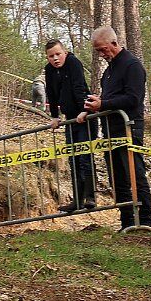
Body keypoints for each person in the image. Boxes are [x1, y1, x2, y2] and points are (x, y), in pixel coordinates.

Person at [83, 26, 151, 230]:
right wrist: (97, 103)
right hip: (110, 131)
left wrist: (103, 104)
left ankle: (146, 220)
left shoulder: (132, 66)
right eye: (97, 51)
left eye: (103, 49)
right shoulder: (108, 71)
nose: (101, 54)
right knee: (117, 178)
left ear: (114, 43)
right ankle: (127, 221)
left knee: (135, 174)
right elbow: (111, 98)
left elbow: (133, 98)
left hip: (129, 128)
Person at [44, 39, 97, 212]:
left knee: (85, 157)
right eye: (51, 56)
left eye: (58, 54)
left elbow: (79, 86)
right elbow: (51, 93)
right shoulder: (49, 70)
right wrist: (54, 116)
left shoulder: (73, 63)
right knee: (73, 159)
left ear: (65, 53)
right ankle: (77, 200)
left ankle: (90, 197)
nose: (55, 58)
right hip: (69, 118)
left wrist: (84, 110)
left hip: (84, 116)